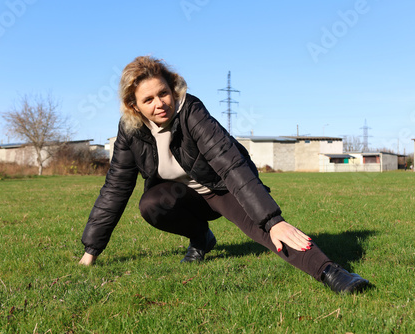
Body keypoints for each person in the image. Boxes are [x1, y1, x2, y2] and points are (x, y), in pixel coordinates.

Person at [79, 56, 370, 294]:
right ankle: (201, 238)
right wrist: (91, 249)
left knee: (268, 231)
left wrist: (272, 221)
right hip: (182, 196)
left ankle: (332, 273)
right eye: (149, 99)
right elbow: (115, 187)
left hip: (220, 186)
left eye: (164, 93)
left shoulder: (191, 110)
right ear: (134, 106)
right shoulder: (130, 130)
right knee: (151, 204)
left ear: (173, 89)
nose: (160, 104)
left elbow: (229, 163)